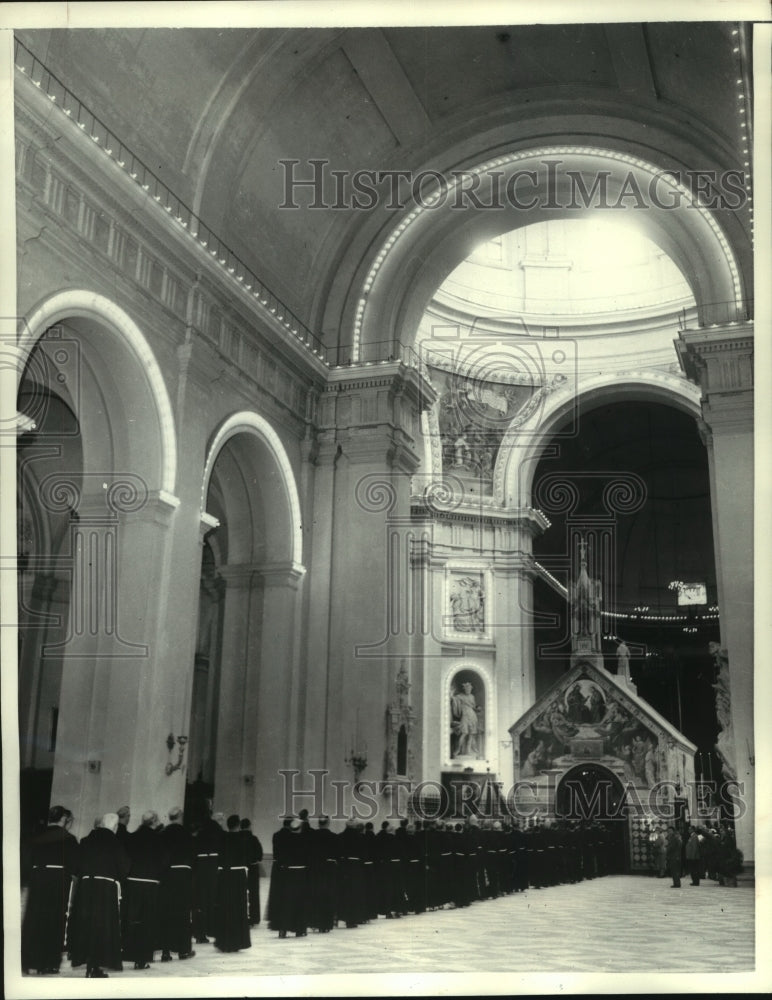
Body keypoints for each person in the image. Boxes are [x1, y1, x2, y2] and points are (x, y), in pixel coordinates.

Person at [68, 812, 129, 978]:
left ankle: (88, 964)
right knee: (102, 928)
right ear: (115, 827)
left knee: (86, 926)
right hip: (105, 889)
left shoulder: (86, 840)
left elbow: (75, 865)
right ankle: (95, 966)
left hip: (86, 887)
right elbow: (124, 868)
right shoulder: (116, 842)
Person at [21, 805, 79, 975]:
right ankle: (48, 963)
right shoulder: (68, 839)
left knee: (34, 919)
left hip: (38, 878)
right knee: (53, 921)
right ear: (64, 819)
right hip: (57, 880)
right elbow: (75, 865)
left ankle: (26, 960)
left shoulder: (35, 836)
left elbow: (25, 862)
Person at [123, 810, 169, 969]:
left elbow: (125, 858)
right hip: (150, 883)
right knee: (147, 922)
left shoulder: (132, 837)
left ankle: (129, 952)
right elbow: (164, 862)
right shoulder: (159, 839)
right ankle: (142, 958)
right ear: (154, 821)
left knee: (133, 920)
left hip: (133, 882)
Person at [158, 806, 196, 962]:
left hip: (167, 875)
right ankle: (183, 950)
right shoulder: (187, 834)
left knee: (167, 913)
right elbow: (194, 856)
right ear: (180, 816)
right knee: (182, 913)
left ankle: (165, 952)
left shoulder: (163, 834)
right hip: (183, 875)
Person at [213, 815, 251, 953]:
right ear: (238, 825)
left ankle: (224, 940)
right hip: (238, 876)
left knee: (225, 906)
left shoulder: (222, 838)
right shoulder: (244, 839)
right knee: (238, 907)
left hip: (225, 875)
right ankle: (237, 941)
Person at [239, 818, 263, 927]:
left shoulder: (237, 838)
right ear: (249, 826)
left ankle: (241, 916)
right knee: (253, 893)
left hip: (239, 869)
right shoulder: (254, 839)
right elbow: (260, 855)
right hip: (252, 869)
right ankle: (254, 918)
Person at [450, 681, 481, 757]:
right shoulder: (460, 696)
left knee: (471, 734)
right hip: (465, 715)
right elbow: (453, 699)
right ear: (464, 689)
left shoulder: (472, 696)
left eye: (469, 689)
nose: (468, 690)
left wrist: (478, 708)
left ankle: (468, 750)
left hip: (472, 716)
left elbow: (473, 707)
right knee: (464, 733)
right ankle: (457, 750)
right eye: (467, 689)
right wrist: (451, 693)